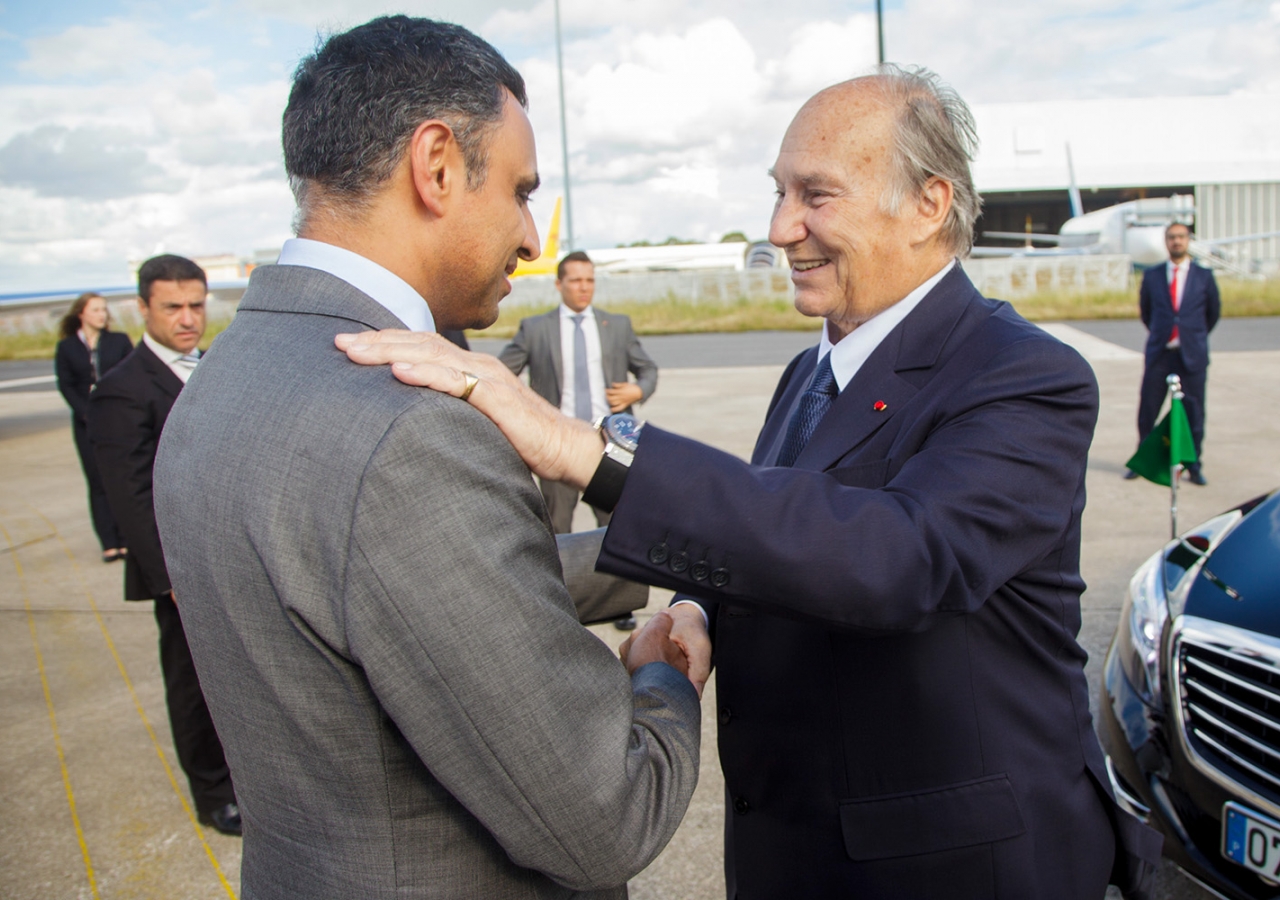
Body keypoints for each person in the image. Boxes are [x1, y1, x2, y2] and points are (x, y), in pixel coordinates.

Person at [342, 65, 1163, 899]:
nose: (780, 226)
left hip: (949, 867)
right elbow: (787, 536)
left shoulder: (1022, 375)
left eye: (817, 195)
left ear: (928, 205)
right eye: (779, 192)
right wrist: (704, 608)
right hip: (798, 851)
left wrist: (587, 450)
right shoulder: (809, 376)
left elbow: (899, 557)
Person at [152, 17, 700, 900]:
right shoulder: (407, 428)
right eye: (522, 192)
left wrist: (693, 550)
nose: (531, 239)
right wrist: (664, 676)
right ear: (437, 165)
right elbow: (608, 813)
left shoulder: (223, 379)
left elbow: (402, 590)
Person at [88, 255, 240, 836]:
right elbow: (127, 494)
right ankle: (213, 795)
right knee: (193, 684)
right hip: (182, 569)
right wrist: (170, 580)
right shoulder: (122, 390)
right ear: (143, 308)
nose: (187, 319)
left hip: (232, 553)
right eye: (173, 307)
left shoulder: (213, 366)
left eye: (196, 305)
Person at [500, 250, 657, 630]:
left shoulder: (615, 325)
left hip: (610, 446)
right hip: (556, 446)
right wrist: (528, 414)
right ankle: (560, 609)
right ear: (559, 284)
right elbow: (503, 374)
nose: (584, 287)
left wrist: (637, 392)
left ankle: (620, 604)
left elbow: (647, 369)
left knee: (616, 525)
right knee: (556, 527)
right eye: (575, 280)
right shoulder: (535, 329)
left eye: (589, 280)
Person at [1127, 221, 1220, 484]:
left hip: (1192, 355)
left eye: (1181, 237)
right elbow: (1146, 313)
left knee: (1194, 413)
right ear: (1166, 242)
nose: (1176, 241)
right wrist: (1164, 333)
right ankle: (1142, 461)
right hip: (1161, 354)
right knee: (1148, 410)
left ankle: (1194, 465)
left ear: (1188, 240)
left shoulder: (1204, 276)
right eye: (1171, 237)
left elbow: (1212, 314)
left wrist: (1192, 336)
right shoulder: (1153, 275)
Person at [54, 292, 132, 562]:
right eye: (96, 310)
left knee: (121, 478)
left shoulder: (118, 341)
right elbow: (65, 384)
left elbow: (130, 376)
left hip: (116, 421)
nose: (102, 314)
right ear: (81, 313)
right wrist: (85, 411)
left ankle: (126, 538)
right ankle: (109, 542)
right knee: (97, 482)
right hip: (86, 423)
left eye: (104, 310)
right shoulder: (66, 347)